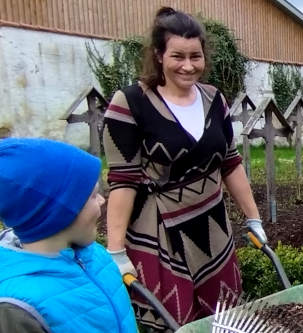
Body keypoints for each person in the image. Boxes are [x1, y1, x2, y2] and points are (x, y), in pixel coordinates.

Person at [102, 7, 266, 329]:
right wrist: (116, 250)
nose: (188, 66)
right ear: (159, 54)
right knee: (173, 321)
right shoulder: (131, 103)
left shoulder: (214, 99)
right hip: (161, 231)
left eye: (196, 56)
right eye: (178, 56)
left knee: (223, 318)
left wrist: (253, 218)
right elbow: (123, 180)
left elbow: (230, 163)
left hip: (212, 227)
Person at [0, 138, 139, 333]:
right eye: (92, 195)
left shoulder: (95, 254)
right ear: (58, 213)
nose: (101, 200)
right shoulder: (17, 309)